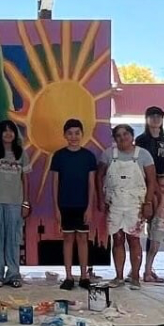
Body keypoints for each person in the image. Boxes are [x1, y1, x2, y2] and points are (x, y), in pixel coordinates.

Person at [98, 124, 153, 287]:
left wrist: (148, 203)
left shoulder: (143, 155)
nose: (123, 138)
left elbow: (152, 180)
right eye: (119, 135)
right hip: (114, 203)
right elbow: (98, 176)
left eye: (126, 134)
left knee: (134, 240)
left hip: (135, 204)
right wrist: (101, 198)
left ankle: (135, 277)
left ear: (132, 136)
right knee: (117, 239)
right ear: (114, 139)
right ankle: (119, 277)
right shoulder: (108, 154)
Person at [0, 120, 31, 288]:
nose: (8, 134)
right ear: (0, 134)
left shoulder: (21, 154)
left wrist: (25, 203)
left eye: (12, 131)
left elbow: (25, 179)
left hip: (15, 203)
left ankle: (13, 274)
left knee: (14, 239)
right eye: (5, 131)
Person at [51, 118, 98, 291]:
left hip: (82, 205)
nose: (73, 136)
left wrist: (89, 207)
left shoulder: (88, 156)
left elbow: (92, 184)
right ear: (64, 135)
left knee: (83, 239)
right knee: (68, 239)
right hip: (65, 204)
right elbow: (55, 183)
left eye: (77, 133)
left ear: (82, 135)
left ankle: (84, 276)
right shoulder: (59, 156)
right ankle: (69, 276)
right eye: (70, 133)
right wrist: (56, 208)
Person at [134, 106, 164, 175]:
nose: (156, 119)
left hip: (161, 179)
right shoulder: (140, 140)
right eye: (152, 116)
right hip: (145, 177)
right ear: (147, 119)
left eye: (158, 116)